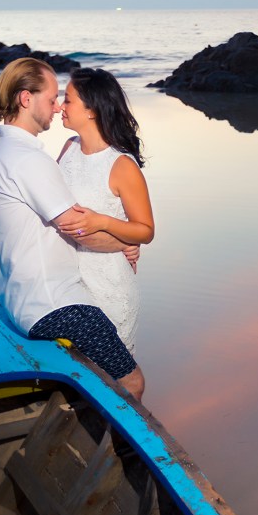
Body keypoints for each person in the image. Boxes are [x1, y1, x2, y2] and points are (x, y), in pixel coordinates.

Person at [0, 58, 144, 399]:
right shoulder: (28, 160)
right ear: (26, 99)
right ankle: (121, 453)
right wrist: (125, 241)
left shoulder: (4, 152)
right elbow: (77, 229)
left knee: (98, 378)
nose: (56, 108)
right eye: (53, 97)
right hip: (54, 304)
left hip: (19, 296)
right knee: (131, 382)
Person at [54, 69, 154, 354]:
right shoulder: (68, 149)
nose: (61, 106)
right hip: (69, 283)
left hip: (109, 286)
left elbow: (145, 230)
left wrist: (103, 222)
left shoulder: (121, 165)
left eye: (68, 100)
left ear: (91, 110)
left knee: (113, 377)